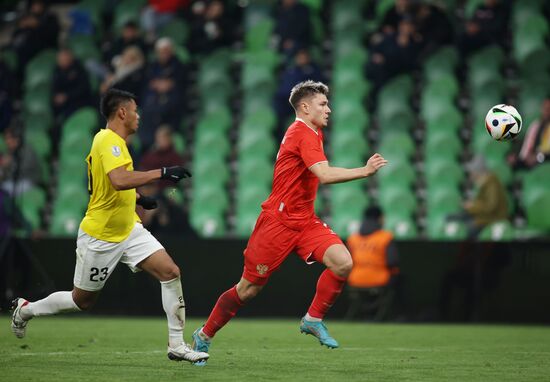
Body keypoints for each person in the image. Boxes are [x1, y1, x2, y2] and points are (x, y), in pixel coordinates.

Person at [191, 80, 388, 364]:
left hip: (305, 221)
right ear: (305, 107)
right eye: (323, 104)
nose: (329, 109)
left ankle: (313, 318)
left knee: (343, 262)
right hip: (277, 223)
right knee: (248, 289)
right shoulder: (302, 133)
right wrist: (365, 171)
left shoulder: (313, 132)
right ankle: (204, 335)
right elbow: (325, 175)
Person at [10, 89, 208, 364]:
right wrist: (161, 173)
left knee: (170, 272)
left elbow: (110, 184)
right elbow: (118, 179)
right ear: (122, 112)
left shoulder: (117, 143)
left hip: (128, 228)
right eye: (135, 110)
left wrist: (140, 198)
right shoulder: (107, 139)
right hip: (101, 235)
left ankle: (176, 345)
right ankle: (26, 310)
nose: (139, 116)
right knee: (82, 301)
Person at [345, 206, 401, 321]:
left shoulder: (352, 238)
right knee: (400, 279)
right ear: (380, 218)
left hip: (355, 280)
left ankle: (361, 314)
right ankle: (395, 317)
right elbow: (392, 261)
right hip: (379, 279)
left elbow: (345, 262)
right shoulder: (386, 237)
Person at [448, 155, 508, 238]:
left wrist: (472, 206)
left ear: (478, 172)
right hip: (482, 214)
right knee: (453, 218)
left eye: (472, 172)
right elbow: (482, 202)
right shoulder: (484, 183)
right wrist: (471, 205)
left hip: (492, 218)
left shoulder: (492, 185)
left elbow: (490, 207)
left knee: (466, 228)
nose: (471, 175)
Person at [508, 98, 550, 169]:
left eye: (548, 108)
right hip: (526, 160)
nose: (546, 111)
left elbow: (545, 153)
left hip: (542, 163)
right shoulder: (536, 125)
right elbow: (526, 143)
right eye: (544, 108)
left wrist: (538, 157)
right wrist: (514, 154)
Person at [0, 127, 42, 197]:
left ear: (17, 139)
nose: (7, 141)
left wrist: (10, 163)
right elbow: (5, 175)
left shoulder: (27, 150)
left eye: (9, 138)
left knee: (5, 190)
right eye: (6, 139)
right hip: (12, 182)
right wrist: (3, 168)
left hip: (27, 180)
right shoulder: (8, 152)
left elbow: (23, 169)